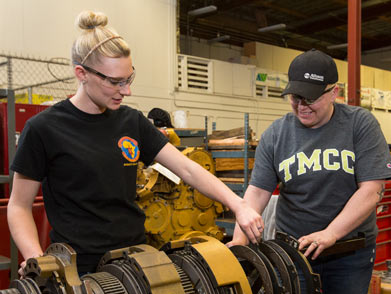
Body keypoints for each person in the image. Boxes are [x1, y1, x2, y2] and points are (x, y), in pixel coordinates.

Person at [7, 10, 264, 277]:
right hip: (77, 269)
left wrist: (238, 205)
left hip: (134, 261)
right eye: (115, 82)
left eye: (129, 78)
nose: (126, 91)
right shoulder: (43, 128)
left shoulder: (132, 122)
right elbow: (19, 206)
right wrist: (37, 258)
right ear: (81, 73)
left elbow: (187, 169)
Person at [228, 49, 391, 294]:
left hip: (349, 254)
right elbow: (256, 193)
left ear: (335, 92)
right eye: (294, 97)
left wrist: (331, 233)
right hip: (295, 255)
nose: (301, 105)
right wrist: (239, 240)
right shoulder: (277, 134)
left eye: (311, 98)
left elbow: (371, 191)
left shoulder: (359, 125)